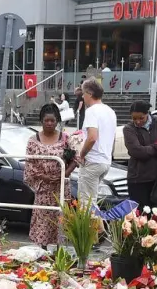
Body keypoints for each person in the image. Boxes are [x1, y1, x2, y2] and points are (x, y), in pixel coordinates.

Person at [22, 104, 68, 247]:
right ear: (41, 121)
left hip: (60, 188)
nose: (49, 123)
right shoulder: (33, 140)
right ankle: (42, 251)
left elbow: (75, 159)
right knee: (43, 220)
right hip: (43, 189)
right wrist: (44, 177)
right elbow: (30, 164)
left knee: (60, 219)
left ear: (57, 121)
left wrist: (63, 175)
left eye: (52, 121)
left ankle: (60, 253)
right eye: (46, 120)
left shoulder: (65, 138)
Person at [121, 101, 157, 211]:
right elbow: (137, 152)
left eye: (141, 118)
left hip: (156, 178)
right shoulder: (128, 129)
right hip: (138, 179)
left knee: (152, 215)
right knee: (138, 216)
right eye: (134, 118)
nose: (138, 121)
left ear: (148, 114)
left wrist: (149, 149)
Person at [75, 78, 116, 203]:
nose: (82, 96)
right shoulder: (110, 111)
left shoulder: (92, 111)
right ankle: (97, 223)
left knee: (86, 204)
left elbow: (92, 137)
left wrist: (81, 155)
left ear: (90, 94)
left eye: (83, 93)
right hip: (105, 161)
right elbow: (113, 139)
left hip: (92, 161)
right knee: (92, 203)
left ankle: (92, 223)